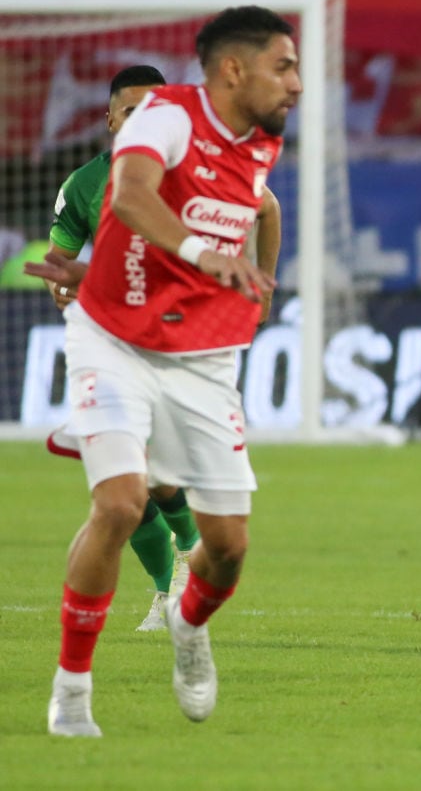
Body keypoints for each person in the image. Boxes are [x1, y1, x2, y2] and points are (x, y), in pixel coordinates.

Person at [36, 5, 301, 737]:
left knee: (229, 546)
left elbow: (264, 211)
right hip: (113, 339)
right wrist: (201, 254)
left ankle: (188, 623)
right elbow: (130, 196)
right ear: (233, 70)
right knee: (121, 503)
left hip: (201, 353)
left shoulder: (261, 141)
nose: (296, 83)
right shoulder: (162, 117)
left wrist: (260, 287)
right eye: (284, 66)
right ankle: (71, 689)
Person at [43, 65, 203, 633]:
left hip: (174, 342)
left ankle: (192, 547)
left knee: (154, 473)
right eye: (132, 111)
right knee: (118, 483)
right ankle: (169, 587)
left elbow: (264, 208)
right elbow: (60, 262)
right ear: (111, 119)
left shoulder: (194, 178)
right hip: (107, 345)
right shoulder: (84, 185)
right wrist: (64, 289)